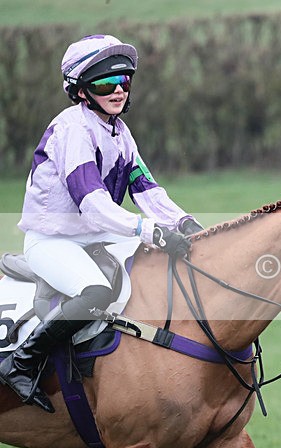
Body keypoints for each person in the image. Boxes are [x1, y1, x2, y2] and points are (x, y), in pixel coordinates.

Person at [0, 35, 204, 413]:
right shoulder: (71, 131)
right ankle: (21, 363)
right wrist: (148, 230)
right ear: (80, 91)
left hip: (95, 234)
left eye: (124, 81)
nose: (117, 91)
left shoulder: (119, 132)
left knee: (157, 266)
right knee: (95, 292)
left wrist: (185, 223)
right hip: (52, 240)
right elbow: (92, 203)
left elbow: (147, 189)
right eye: (104, 84)